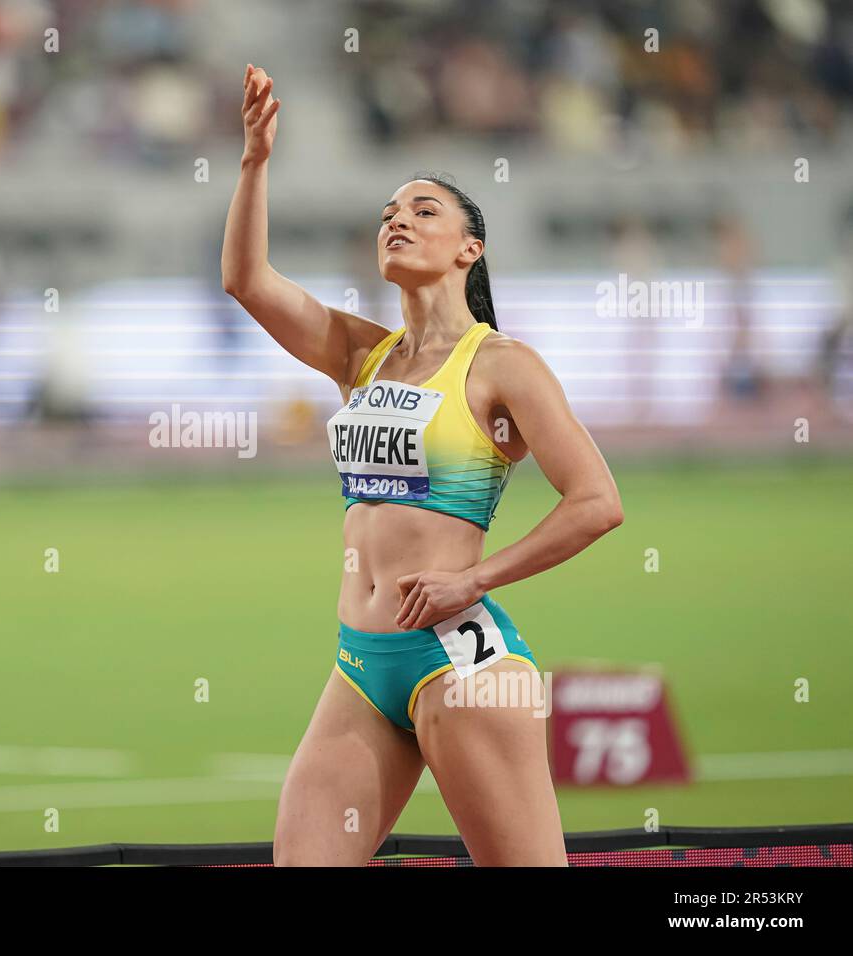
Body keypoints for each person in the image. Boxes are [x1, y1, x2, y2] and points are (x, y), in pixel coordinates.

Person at [221, 64, 624, 866]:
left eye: (422, 210)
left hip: (462, 662)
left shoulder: (501, 365)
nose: (396, 221)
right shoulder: (363, 356)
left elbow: (597, 502)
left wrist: (476, 579)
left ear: (470, 248)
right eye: (387, 213)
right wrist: (255, 162)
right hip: (359, 664)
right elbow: (246, 281)